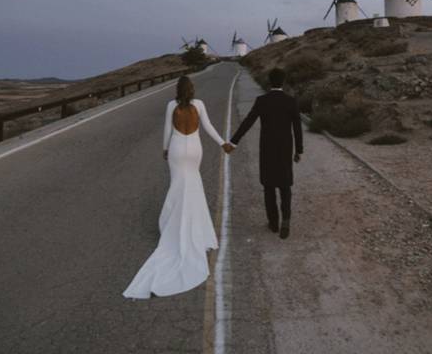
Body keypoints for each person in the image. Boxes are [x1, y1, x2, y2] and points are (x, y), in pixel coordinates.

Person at [123, 76, 234, 299]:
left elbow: (167, 130)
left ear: (177, 89)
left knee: (177, 187)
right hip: (194, 149)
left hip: (176, 149)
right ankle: (196, 229)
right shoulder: (199, 105)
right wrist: (223, 143)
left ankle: (172, 227)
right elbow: (209, 126)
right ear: (192, 90)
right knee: (193, 186)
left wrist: (165, 149)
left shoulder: (170, 106)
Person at [228, 67, 303, 239]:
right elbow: (297, 128)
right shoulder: (291, 101)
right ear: (283, 82)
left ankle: (273, 222)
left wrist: (234, 141)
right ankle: (286, 219)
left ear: (270, 81)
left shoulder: (262, 101)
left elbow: (248, 122)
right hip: (285, 148)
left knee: (268, 186)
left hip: (267, 148)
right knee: (285, 186)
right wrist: (299, 150)